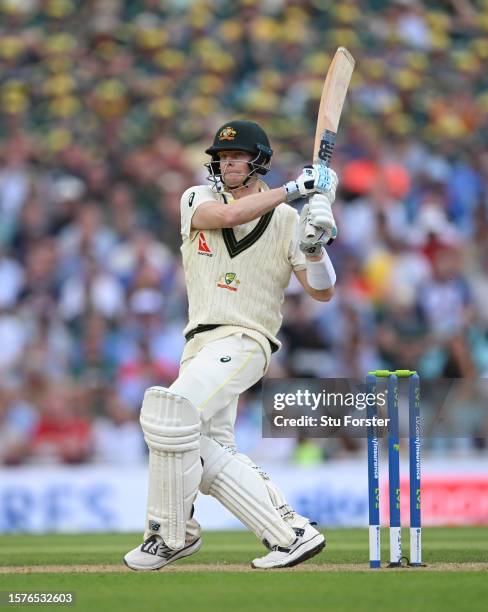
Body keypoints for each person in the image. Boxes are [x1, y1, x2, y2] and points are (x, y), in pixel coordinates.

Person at [124, 120, 338, 570]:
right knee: (199, 451)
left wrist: (317, 247)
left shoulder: (286, 221)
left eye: (237, 156)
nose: (227, 163)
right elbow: (226, 218)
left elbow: (322, 291)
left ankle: (169, 534)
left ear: (258, 160)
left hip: (246, 339)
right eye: (222, 157)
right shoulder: (197, 199)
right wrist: (296, 187)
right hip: (199, 345)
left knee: (171, 408)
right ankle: (290, 533)